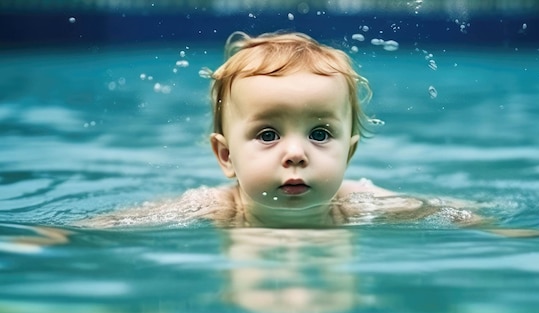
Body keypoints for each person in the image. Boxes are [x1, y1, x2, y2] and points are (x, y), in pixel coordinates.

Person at [83, 31, 478, 229]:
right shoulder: (216, 207)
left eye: (320, 135)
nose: (296, 153)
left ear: (350, 153)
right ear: (225, 156)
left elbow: (450, 212)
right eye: (268, 135)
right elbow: (116, 223)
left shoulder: (361, 202)